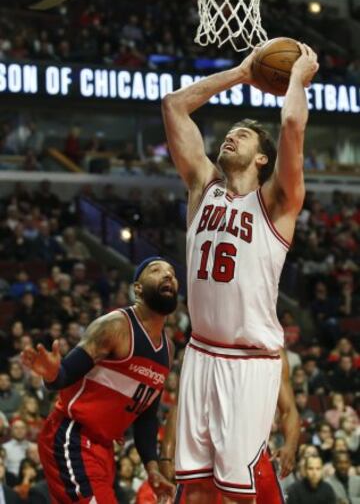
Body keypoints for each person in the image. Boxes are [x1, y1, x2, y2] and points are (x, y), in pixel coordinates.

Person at [162, 41, 318, 503]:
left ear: (263, 159)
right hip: (201, 352)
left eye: (243, 136)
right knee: (192, 492)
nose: (230, 136)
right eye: (228, 132)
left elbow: (290, 123)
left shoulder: (276, 203)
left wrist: (297, 78)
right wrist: (241, 72)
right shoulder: (201, 187)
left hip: (249, 364)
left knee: (236, 495)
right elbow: (174, 106)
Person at [21, 257, 177, 503]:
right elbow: (65, 374)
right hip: (72, 437)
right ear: (137, 288)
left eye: (172, 273)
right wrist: (52, 373)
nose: (168, 275)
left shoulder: (168, 350)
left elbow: (146, 416)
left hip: (103, 449)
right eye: (156, 271)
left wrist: (153, 469)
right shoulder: (116, 326)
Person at [160, 350, 300, 503]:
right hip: (207, 451)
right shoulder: (206, 340)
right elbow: (181, 404)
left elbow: (288, 409)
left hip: (253, 452)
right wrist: (167, 455)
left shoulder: (272, 347)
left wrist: (290, 445)